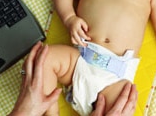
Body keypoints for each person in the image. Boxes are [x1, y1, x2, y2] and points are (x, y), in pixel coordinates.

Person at [9, 41, 138, 116]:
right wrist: (69, 17)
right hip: (81, 61)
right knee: (43, 59)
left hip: (113, 80)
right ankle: (51, 113)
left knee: (35, 64)